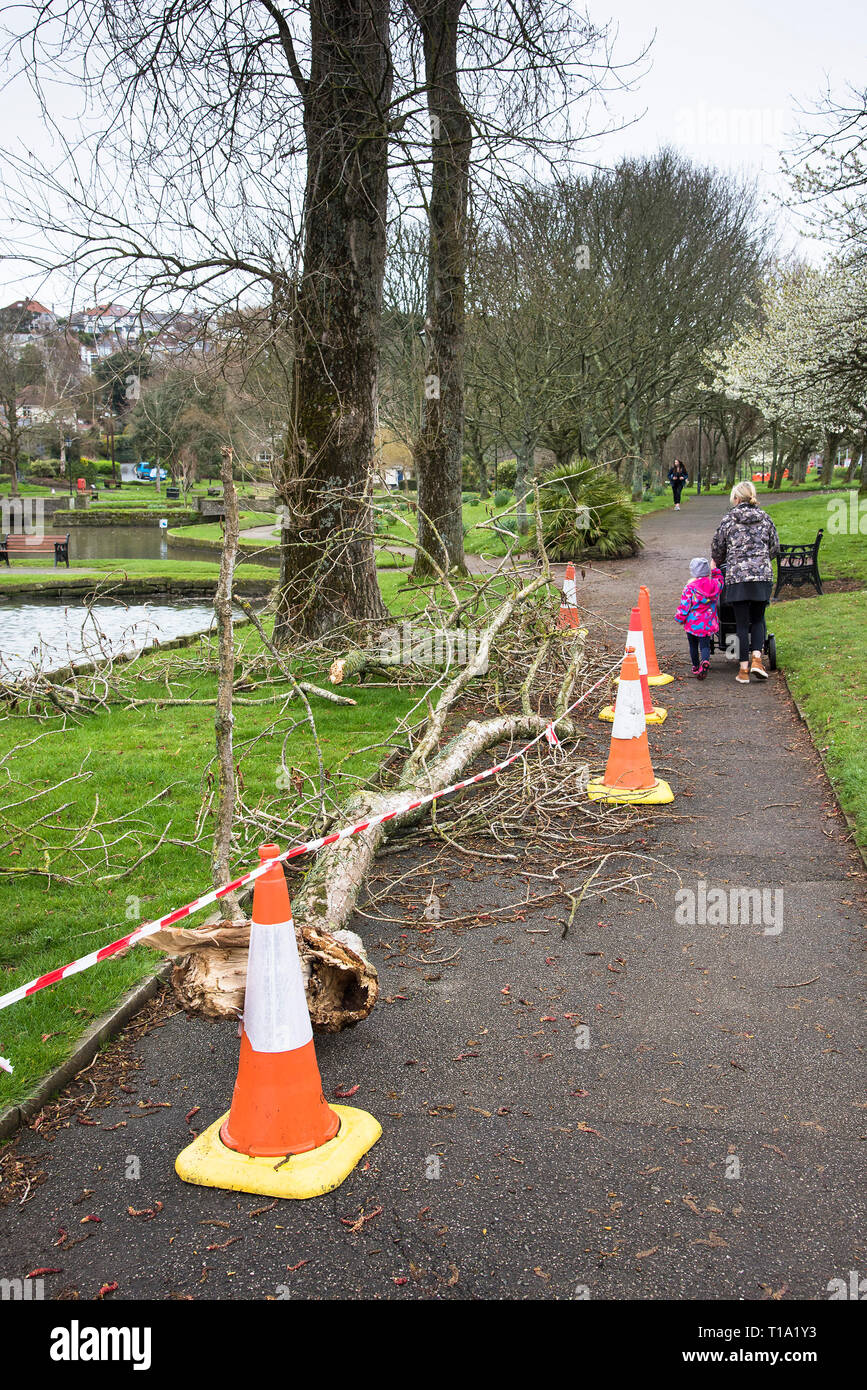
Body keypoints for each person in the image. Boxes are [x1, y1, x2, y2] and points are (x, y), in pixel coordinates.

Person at [711, 480, 780, 684]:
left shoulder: (728, 520)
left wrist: (723, 560)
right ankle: (757, 660)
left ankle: (743, 671)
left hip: (737, 576)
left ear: (736, 498)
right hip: (761, 575)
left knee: (741, 623)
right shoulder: (765, 518)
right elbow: (775, 547)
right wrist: (761, 560)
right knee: (757, 619)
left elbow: (717, 548)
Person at [675, 557, 724, 679]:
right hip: (707, 622)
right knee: (705, 645)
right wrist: (715, 570)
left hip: (692, 623)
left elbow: (684, 605)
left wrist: (680, 618)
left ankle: (696, 666)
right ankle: (705, 661)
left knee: (693, 645)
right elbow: (721, 580)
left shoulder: (690, 588)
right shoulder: (715, 585)